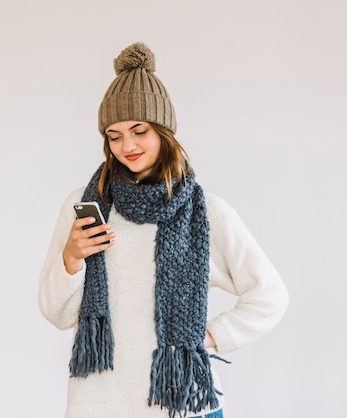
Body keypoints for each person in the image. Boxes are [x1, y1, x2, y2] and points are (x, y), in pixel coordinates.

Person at [38, 41, 289, 418]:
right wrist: (71, 259)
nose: (127, 145)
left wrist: (206, 337)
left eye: (139, 130)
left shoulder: (206, 214)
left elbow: (270, 295)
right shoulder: (86, 207)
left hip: (184, 405)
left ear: (163, 131)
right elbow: (57, 315)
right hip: (101, 406)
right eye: (114, 135)